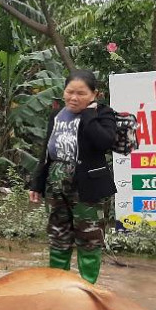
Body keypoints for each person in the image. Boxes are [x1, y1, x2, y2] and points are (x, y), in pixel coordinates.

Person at [28, 68, 117, 284]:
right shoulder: (56, 116)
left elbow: (105, 142)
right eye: (70, 92)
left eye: (81, 93)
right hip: (56, 186)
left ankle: (87, 288)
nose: (74, 98)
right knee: (58, 237)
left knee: (89, 240)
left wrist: (88, 115)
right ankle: (59, 286)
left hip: (88, 188)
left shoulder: (103, 114)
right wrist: (36, 184)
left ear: (94, 94)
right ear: (64, 91)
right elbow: (47, 152)